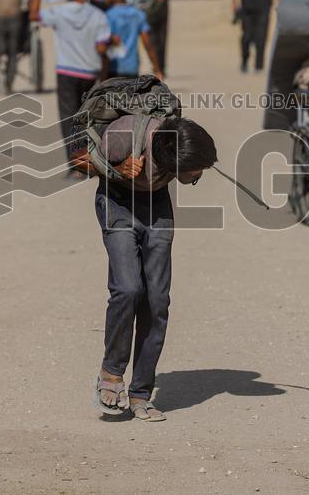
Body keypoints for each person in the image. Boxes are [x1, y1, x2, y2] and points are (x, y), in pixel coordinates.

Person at [74, 111, 218, 421]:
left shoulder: (177, 147)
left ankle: (141, 393)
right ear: (171, 160)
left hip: (157, 208)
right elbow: (77, 160)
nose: (198, 176)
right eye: (195, 171)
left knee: (157, 301)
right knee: (127, 288)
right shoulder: (127, 134)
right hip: (117, 203)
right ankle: (110, 374)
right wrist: (116, 168)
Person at [28, 0, 110, 161]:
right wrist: (105, 76)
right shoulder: (99, 15)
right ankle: (89, 157)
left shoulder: (59, 12)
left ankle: (75, 162)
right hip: (90, 73)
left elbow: (33, 16)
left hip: (66, 73)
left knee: (68, 118)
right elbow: (102, 48)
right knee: (87, 117)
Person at [102, 0, 163, 80]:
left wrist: (102, 76)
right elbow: (147, 44)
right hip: (132, 69)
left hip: (112, 70)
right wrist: (157, 69)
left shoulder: (108, 16)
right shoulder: (138, 14)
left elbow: (105, 46)